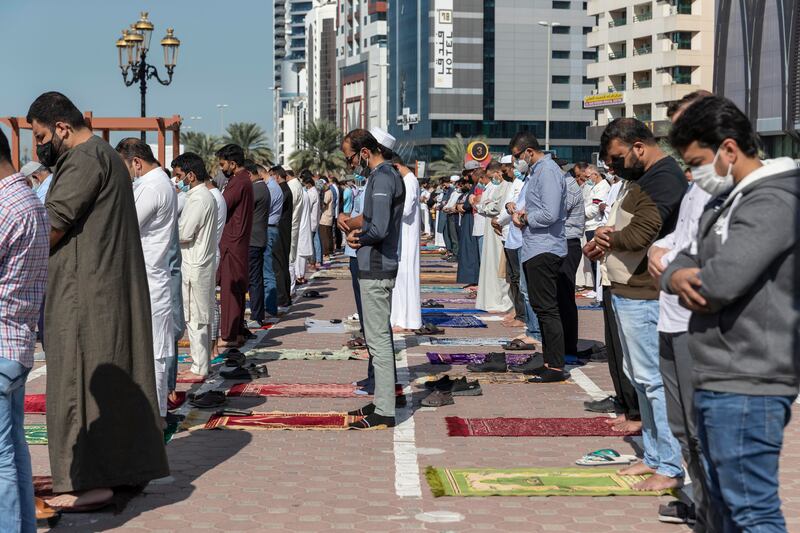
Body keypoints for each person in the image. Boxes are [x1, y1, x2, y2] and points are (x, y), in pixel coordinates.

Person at [664, 95, 799, 532]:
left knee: (751, 511)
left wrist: (685, 272)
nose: (695, 174)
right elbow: (681, 257)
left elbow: (722, 282)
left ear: (728, 149)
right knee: (721, 509)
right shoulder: (726, 201)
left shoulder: (772, 201)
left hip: (751, 377)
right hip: (720, 372)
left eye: (698, 161)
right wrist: (678, 273)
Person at [28, 91, 168, 509]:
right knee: (112, 382)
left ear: (62, 128)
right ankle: (120, 473)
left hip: (84, 293)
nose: (38, 146)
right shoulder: (106, 155)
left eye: (39, 136)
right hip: (102, 289)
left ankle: (88, 482)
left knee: (76, 382)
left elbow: (51, 226)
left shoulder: (85, 158)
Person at [585, 117, 687, 491]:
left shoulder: (663, 178)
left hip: (646, 294)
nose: (612, 167)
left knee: (654, 382)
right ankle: (655, 456)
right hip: (630, 291)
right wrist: (603, 239)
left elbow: (645, 232)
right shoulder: (642, 178)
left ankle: (670, 467)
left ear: (639, 147)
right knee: (641, 380)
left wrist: (607, 237)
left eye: (616, 159)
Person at [0, 128, 48, 531]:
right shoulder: (29, 198)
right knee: (13, 448)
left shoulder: (4, 206)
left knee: (2, 456)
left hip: (1, 343)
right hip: (16, 341)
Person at [341, 128, 404, 429]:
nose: (351, 165)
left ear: (365, 152)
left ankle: (386, 411)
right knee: (377, 337)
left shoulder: (381, 178)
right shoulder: (383, 176)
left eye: (351, 158)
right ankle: (382, 400)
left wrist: (358, 238)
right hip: (377, 264)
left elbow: (378, 228)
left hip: (376, 266)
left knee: (378, 340)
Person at [115, 138, 178, 419]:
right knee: (154, 351)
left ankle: (154, 416)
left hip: (150, 282)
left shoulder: (152, 185)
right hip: (152, 278)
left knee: (153, 354)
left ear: (136, 163)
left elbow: (125, 224)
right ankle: (155, 414)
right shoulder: (157, 182)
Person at [507, 132, 568, 383]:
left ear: (529, 152)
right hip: (535, 246)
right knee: (541, 308)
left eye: (517, 157)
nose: (516, 162)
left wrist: (525, 217)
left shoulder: (548, 171)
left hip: (546, 248)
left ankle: (555, 366)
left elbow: (551, 213)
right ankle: (548, 361)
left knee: (547, 309)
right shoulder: (536, 172)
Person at [172, 153, 218, 381]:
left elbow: (185, 233)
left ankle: (199, 366)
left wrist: (166, 227)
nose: (176, 179)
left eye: (179, 175)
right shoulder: (200, 196)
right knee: (199, 315)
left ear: (190, 175)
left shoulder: (199, 199)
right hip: (199, 263)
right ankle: (201, 363)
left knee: (196, 317)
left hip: (195, 264)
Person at [216, 144, 254, 348]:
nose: (221, 169)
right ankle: (237, 332)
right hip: (237, 242)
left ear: (233, 163)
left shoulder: (238, 182)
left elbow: (222, 204)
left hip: (232, 242)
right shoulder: (242, 180)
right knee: (236, 290)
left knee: (230, 291)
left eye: (223, 164)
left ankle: (229, 334)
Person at [390, 155, 422, 332]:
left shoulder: (409, 180)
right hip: (402, 234)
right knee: (400, 278)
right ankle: (400, 317)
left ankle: (408, 319)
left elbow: (406, 209)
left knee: (406, 277)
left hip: (408, 236)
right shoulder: (407, 179)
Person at [476, 161, 513, 313]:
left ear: (499, 172)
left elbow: (497, 207)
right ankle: (491, 299)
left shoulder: (508, 186)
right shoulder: (497, 187)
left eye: (493, 176)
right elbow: (487, 204)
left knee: (500, 266)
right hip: (490, 227)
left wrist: (485, 206)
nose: (492, 179)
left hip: (499, 228)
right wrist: (485, 206)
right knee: (490, 264)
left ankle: (503, 301)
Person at [556, 168, 586, 357]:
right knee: (559, 296)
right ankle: (563, 342)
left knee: (565, 296)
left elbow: (554, 211)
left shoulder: (568, 186)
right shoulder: (563, 185)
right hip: (562, 241)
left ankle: (568, 345)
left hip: (568, 242)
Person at [246, 160, 269, 327]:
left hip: (253, 240)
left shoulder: (256, 189)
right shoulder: (262, 188)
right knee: (256, 278)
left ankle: (256, 314)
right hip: (258, 238)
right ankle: (257, 313)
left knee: (254, 279)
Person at [456, 162, 482, 287]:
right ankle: (473, 278)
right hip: (470, 218)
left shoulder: (480, 185)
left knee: (472, 249)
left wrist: (463, 206)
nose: (467, 178)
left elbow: (472, 203)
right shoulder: (474, 185)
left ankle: (475, 278)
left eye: (468, 174)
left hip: (474, 218)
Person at [272, 166, 294, 309]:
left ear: (277, 177)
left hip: (281, 231)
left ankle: (282, 297)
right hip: (284, 231)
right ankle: (285, 295)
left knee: (279, 265)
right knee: (282, 264)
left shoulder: (283, 190)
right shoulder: (284, 189)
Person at [286, 168, 305, 297]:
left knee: (289, 259)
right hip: (293, 224)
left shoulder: (293, 187)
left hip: (291, 225)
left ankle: (291, 289)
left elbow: (289, 205)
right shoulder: (296, 185)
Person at [294, 171, 315, 285]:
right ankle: (300, 275)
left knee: (300, 254)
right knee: (300, 253)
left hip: (301, 226)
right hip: (303, 225)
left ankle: (299, 276)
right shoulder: (304, 193)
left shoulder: (302, 194)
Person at [318, 178, 334, 260]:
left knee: (325, 236)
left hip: (325, 217)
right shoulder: (327, 192)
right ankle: (329, 251)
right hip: (327, 216)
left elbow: (324, 204)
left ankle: (326, 253)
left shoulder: (328, 193)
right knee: (328, 235)